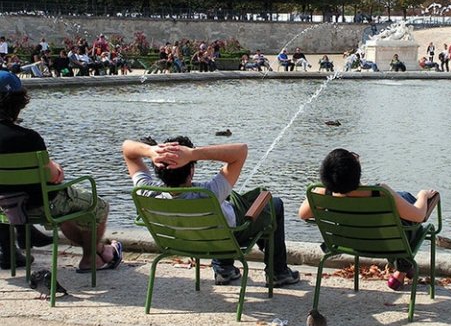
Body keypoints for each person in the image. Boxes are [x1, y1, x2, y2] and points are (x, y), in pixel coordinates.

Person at [122, 136, 300, 287]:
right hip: (227, 239)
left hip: (181, 242)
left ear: (157, 167)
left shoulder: (146, 192)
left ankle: (224, 270)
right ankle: (278, 272)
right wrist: (193, 154)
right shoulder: (210, 193)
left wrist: (151, 151)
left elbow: (128, 149)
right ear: (191, 170)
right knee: (273, 205)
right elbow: (241, 151)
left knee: (226, 204)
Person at [0, 71, 119, 272]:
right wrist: (56, 167)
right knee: (98, 206)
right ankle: (90, 259)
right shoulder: (29, 138)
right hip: (41, 206)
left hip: (3, 208)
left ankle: (100, 250)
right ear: (19, 103)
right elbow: (53, 176)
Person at [298, 148, 438, 280]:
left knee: (402, 198)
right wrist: (423, 195)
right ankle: (403, 266)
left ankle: (402, 270)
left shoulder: (323, 193)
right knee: (409, 212)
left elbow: (303, 214)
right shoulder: (380, 192)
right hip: (388, 244)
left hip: (349, 242)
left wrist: (323, 188)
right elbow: (419, 215)